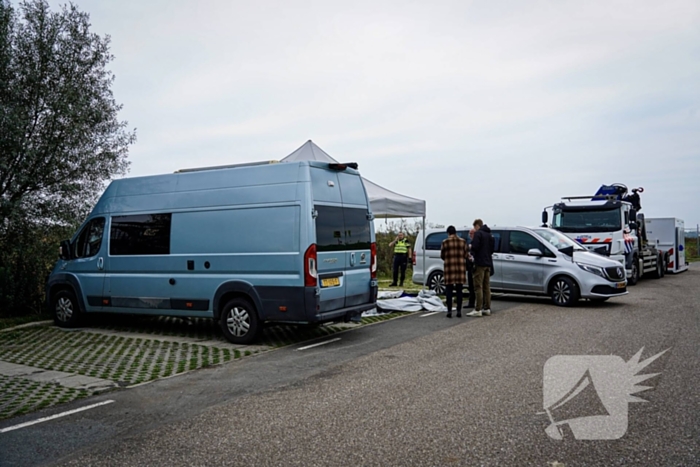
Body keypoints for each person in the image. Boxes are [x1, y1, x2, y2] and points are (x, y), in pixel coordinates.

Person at [467, 219, 495, 317]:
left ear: (477, 225)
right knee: (487, 287)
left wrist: (470, 247)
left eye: (474, 227)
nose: (474, 229)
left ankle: (477, 309)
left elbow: (475, 247)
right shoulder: (490, 235)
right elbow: (492, 249)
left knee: (478, 286)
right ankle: (487, 308)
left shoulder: (479, 234)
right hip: (488, 263)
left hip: (480, 263)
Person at [440, 225, 469, 318]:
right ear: (456, 232)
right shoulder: (463, 242)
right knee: (459, 290)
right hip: (460, 269)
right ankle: (459, 311)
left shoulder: (445, 242)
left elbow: (442, 255)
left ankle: (449, 311)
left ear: (448, 233)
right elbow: (466, 255)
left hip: (449, 268)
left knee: (449, 290)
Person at [465, 228, 476, 309]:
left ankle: (478, 303)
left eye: (471, 233)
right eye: (469, 234)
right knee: (470, 286)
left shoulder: (476, 243)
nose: (470, 235)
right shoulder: (470, 243)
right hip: (469, 267)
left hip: (475, 267)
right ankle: (471, 302)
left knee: (476, 286)